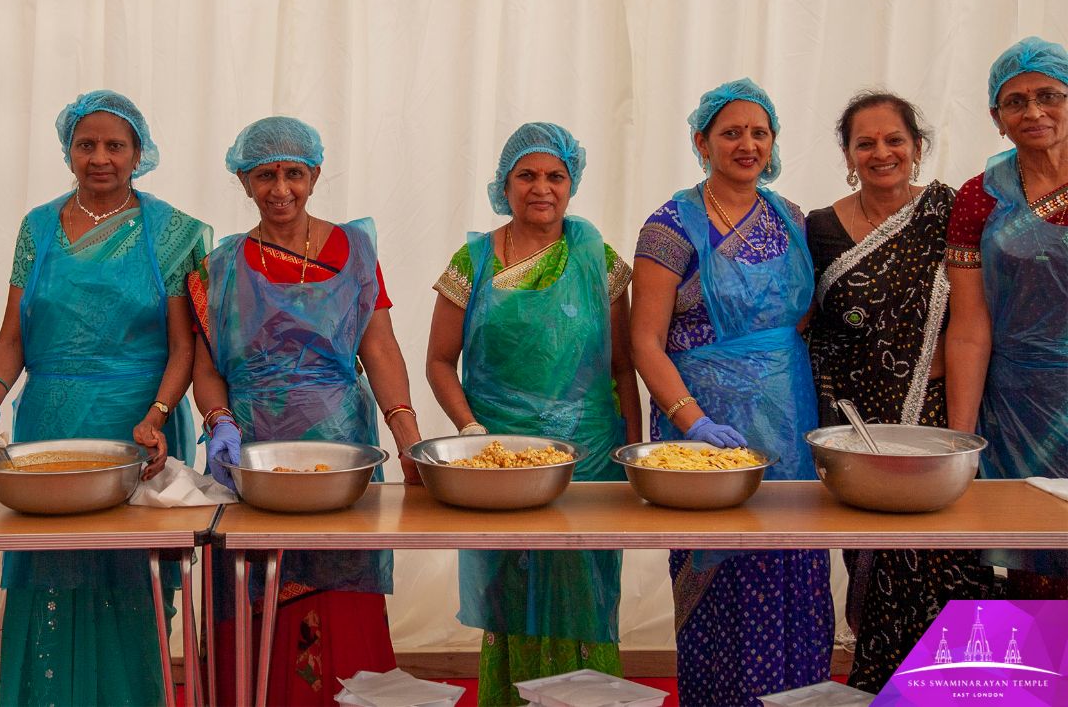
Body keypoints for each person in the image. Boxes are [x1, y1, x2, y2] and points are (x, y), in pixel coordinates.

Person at [0, 90, 210, 707]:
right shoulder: (38, 226)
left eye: (115, 145)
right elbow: (12, 337)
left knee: (129, 584)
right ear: (68, 150)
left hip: (137, 428)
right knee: (48, 578)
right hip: (47, 429)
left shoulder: (173, 231)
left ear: (138, 153)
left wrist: (156, 416)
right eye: (87, 144)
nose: (100, 157)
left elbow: (184, 349)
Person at [190, 115, 424, 707]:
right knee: (253, 592)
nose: (280, 189)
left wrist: (409, 438)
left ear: (315, 174)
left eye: (294, 173)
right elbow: (206, 365)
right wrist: (219, 423)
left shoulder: (356, 249)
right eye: (264, 175)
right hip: (253, 460)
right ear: (243, 180)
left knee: (339, 598)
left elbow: (380, 346)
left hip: (341, 457)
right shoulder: (220, 266)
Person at [631, 79, 832, 706]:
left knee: (795, 573)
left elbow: (801, 316)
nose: (747, 144)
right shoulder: (669, 226)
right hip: (706, 427)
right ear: (701, 141)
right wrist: (691, 421)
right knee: (720, 580)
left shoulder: (792, 218)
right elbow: (644, 341)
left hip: (789, 419)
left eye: (759, 132)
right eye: (731, 132)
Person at [424, 123, 640, 706]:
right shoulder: (472, 262)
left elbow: (625, 367)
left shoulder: (598, 257)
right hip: (500, 464)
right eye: (527, 175)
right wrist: (471, 434)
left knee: (586, 598)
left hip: (589, 462)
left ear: (572, 184)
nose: (541, 188)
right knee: (512, 597)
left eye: (555, 176)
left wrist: (632, 457)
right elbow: (440, 362)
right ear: (505, 183)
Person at [806, 91, 994, 690]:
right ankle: (882, 689)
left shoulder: (949, 211)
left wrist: (957, 442)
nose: (881, 152)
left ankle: (962, 695)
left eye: (895, 140)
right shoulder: (820, 228)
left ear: (917, 148)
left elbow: (968, 324)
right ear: (847, 153)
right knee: (874, 566)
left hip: (936, 419)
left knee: (950, 563)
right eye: (866, 142)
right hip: (854, 429)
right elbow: (809, 324)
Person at [945, 36, 1068, 599]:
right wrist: (961, 441)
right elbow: (970, 330)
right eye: (1015, 101)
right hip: (1020, 408)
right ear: (998, 118)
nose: (1034, 112)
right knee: (1032, 570)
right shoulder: (979, 199)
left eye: (1049, 95)